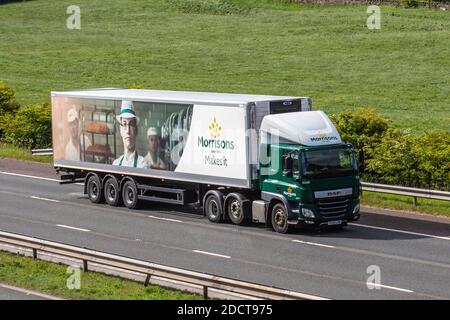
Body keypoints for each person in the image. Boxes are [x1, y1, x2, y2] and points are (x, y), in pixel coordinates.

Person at [113, 100, 147, 168]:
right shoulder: (115, 164)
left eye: (131, 124)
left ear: (136, 131)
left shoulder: (142, 165)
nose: (128, 131)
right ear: (120, 130)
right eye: (124, 124)